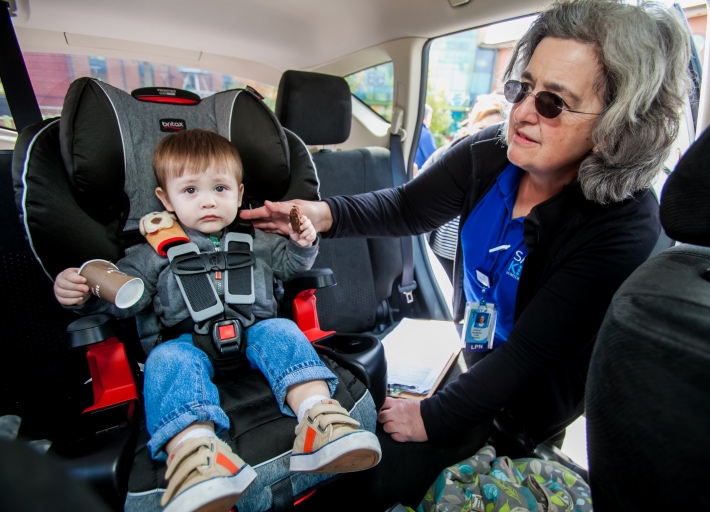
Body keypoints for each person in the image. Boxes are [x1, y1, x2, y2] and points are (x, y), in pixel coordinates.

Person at [241, 0, 690, 507]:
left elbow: (528, 356)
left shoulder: (622, 225)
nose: (521, 112)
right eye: (523, 88)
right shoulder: (490, 153)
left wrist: (432, 417)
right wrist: (323, 214)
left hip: (526, 404)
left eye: (552, 103)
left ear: (617, 125)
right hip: (474, 360)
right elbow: (408, 207)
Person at [53, 129, 381, 512]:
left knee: (282, 329)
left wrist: (301, 242)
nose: (208, 201)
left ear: (239, 194)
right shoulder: (149, 254)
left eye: (220, 189)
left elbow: (292, 266)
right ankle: (195, 457)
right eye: (190, 191)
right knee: (166, 361)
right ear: (165, 199)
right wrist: (81, 295)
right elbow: (122, 301)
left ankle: (320, 421)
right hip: (186, 345)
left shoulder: (256, 240)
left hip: (256, 339)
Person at [421, 94, 508, 280]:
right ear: (471, 128)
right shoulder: (446, 155)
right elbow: (420, 187)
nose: (486, 138)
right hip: (436, 252)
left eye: (495, 133)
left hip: (471, 262)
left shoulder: (504, 172)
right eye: (482, 129)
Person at [413, 103, 437, 168]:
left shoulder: (411, 131)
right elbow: (434, 159)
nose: (430, 122)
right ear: (425, 119)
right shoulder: (425, 134)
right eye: (430, 119)